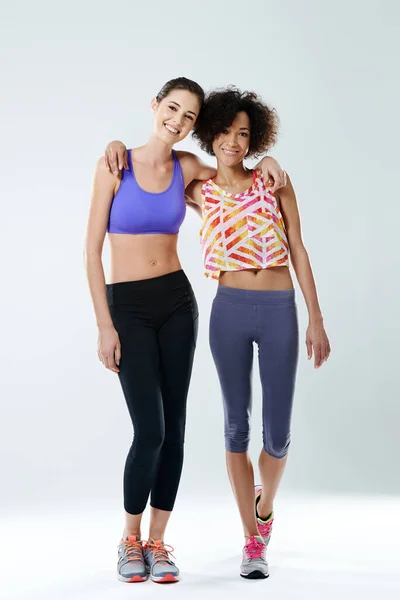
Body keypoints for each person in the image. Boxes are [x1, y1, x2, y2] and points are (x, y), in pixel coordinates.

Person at [105, 86, 331, 581]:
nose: (233, 141)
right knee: (235, 428)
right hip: (227, 308)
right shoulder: (196, 190)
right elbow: (152, 178)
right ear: (211, 134)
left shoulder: (275, 183)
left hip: (279, 308)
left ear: (256, 139)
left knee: (278, 433)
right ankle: (252, 540)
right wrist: (115, 147)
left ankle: (264, 504)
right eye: (225, 131)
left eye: (245, 134)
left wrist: (315, 316)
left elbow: (299, 248)